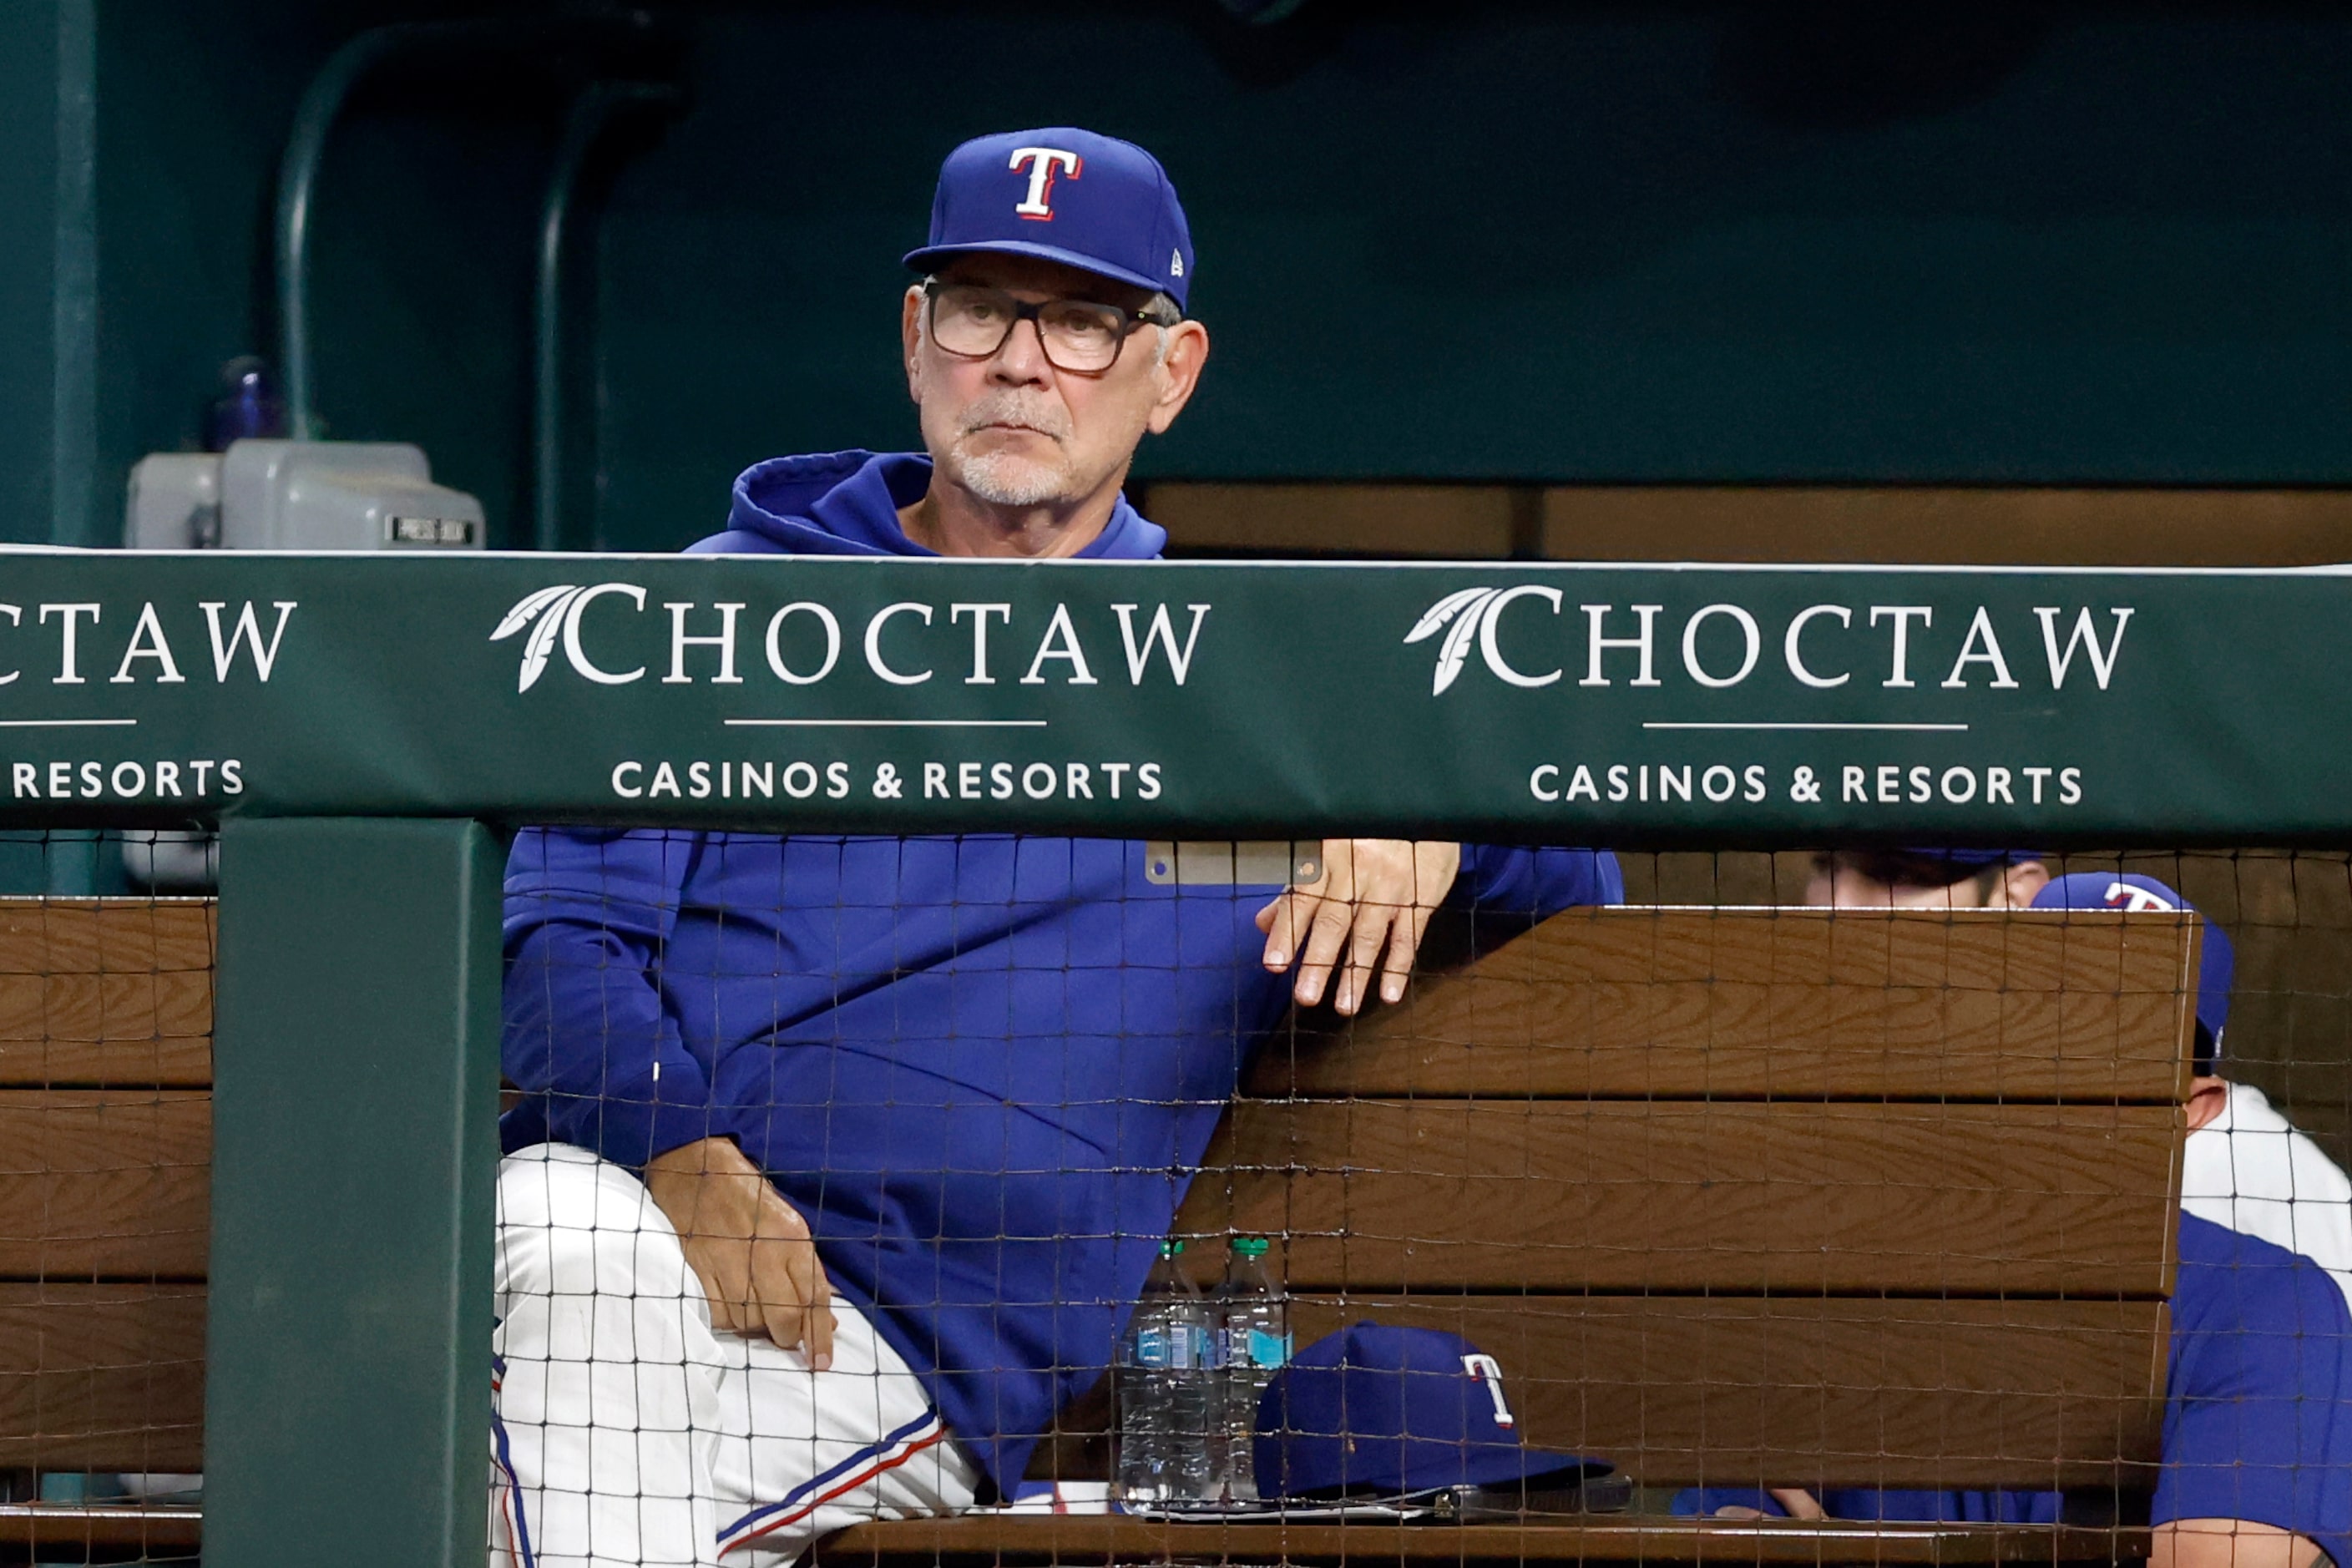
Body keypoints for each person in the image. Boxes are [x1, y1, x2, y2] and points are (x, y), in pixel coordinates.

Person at [488, 126, 1621, 1568]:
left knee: (505, 1501)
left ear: (1171, 372)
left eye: (1083, 320)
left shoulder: (1254, 690)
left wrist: (1435, 823)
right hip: (618, 1239)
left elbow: (1580, 865)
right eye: (980, 307)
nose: (1021, 360)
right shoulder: (721, 615)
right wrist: (683, 1157)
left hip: (881, 1346)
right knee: (561, 1229)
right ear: (916, 337)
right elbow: (557, 943)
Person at [1682, 852, 2352, 1568]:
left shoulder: (2270, 1307)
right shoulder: (1815, 1284)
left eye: (2121, 1037)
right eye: (2033, 1013)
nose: (2068, 1060)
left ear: (2192, 1109)